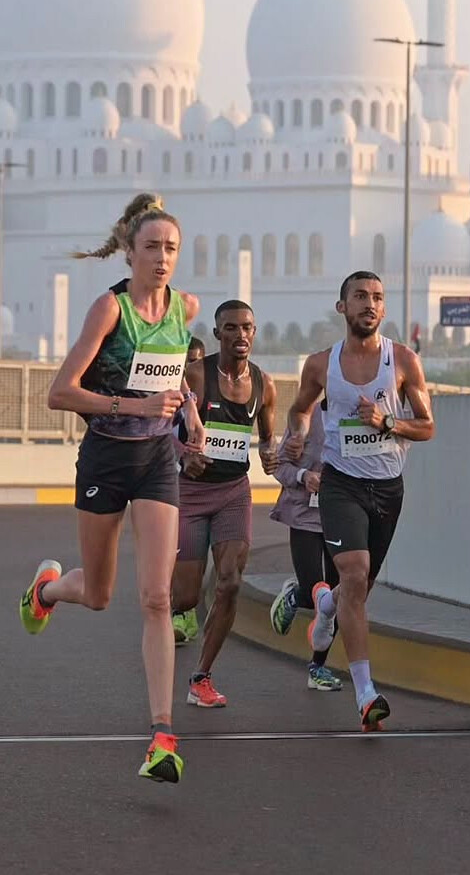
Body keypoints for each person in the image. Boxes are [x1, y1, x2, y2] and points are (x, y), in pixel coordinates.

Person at [18, 193, 204, 785]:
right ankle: (47, 591)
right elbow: (61, 392)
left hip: (157, 461)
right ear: (129, 250)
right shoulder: (109, 310)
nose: (162, 258)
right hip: (105, 459)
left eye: (171, 248)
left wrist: (188, 413)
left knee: (156, 598)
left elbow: (172, 373)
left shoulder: (186, 307)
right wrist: (134, 406)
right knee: (99, 594)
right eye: (151, 247)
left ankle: (162, 736)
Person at [285, 271, 435, 730]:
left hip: (388, 488)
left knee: (357, 590)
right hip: (341, 484)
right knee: (354, 573)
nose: (369, 304)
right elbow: (300, 408)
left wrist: (388, 422)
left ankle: (326, 607)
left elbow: (427, 426)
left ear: (383, 309)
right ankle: (366, 693)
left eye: (377, 298)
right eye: (360, 297)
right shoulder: (320, 365)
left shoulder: (403, 360)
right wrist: (298, 434)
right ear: (342, 307)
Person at [171, 300, 278, 707]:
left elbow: (268, 438)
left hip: (234, 492)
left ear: (255, 332)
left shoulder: (265, 384)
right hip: (191, 494)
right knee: (184, 598)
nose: (240, 335)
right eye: (231, 328)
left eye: (247, 327)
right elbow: (162, 428)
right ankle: (159, 602)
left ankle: (201, 677)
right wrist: (184, 455)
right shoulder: (196, 376)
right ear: (217, 334)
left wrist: (271, 454)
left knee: (230, 582)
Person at [268, 402, 344, 692]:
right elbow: (279, 465)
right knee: (315, 593)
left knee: (339, 597)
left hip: (341, 518)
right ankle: (297, 594)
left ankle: (318, 667)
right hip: (304, 515)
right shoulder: (306, 417)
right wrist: (305, 476)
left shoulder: (359, 418)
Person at [171, 335, 207, 646]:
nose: (192, 367)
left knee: (195, 550)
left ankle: (186, 611)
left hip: (204, 484)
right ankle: (176, 609)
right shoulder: (169, 395)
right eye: (187, 362)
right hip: (169, 480)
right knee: (174, 549)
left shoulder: (211, 395)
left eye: (197, 361)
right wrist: (183, 453)